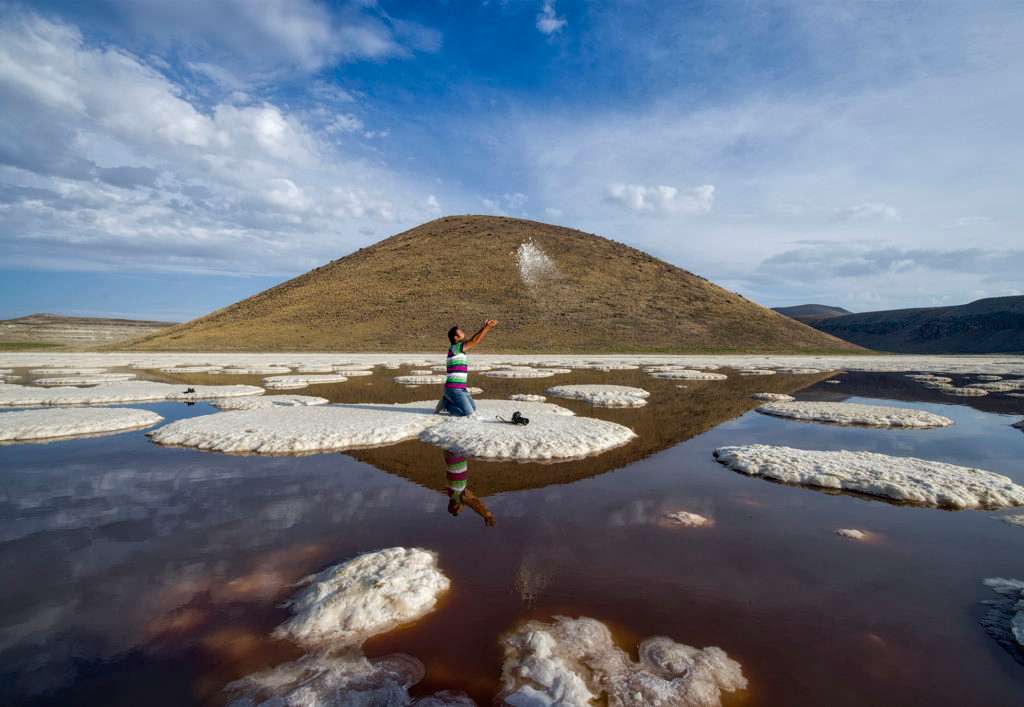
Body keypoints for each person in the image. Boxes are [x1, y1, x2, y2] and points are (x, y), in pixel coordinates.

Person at [436, 320, 497, 417]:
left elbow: (473, 340)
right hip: (454, 389)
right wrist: (486, 328)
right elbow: (474, 340)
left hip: (461, 388)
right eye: (460, 332)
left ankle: (448, 400)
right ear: (456, 337)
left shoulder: (459, 349)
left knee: (473, 409)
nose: (463, 332)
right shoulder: (455, 348)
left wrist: (485, 327)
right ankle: (446, 405)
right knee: (467, 413)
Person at [444, 449, 496, 526]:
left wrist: (486, 515)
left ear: (456, 506)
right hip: (450, 457)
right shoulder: (452, 493)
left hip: (456, 457)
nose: (463, 509)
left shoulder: (459, 497)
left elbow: (475, 505)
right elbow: (474, 500)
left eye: (460, 510)